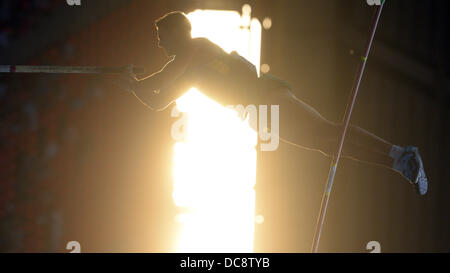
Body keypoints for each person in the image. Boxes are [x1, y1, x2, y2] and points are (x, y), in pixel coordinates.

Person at [115, 11, 428, 195]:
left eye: (160, 34)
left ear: (178, 32)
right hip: (258, 115)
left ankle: (400, 152)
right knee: (328, 145)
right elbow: (157, 101)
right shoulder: (191, 75)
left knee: (329, 131)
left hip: (266, 97)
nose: (158, 42)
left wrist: (133, 83)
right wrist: (133, 87)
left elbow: (156, 83)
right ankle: (396, 163)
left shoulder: (195, 48)